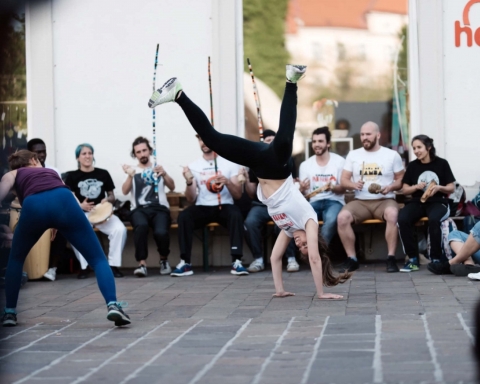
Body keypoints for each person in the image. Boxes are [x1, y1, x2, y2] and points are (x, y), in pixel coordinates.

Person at [148, 65, 350, 298]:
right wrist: (321, 293)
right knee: (284, 140)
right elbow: (315, 258)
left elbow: (275, 258)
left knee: (213, 140)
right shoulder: (310, 221)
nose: (301, 244)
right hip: (277, 166)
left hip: (258, 162)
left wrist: (280, 289)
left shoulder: (287, 228)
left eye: (300, 248)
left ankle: (178, 94)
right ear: (314, 240)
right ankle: (291, 82)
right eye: (305, 244)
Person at [0, 150, 130, 326]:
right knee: (98, 259)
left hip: (33, 206)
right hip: (65, 202)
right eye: (38, 160)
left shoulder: (13, 174)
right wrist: (63, 221)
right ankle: (113, 305)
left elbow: (4, 192)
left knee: (16, 259)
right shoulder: (52, 173)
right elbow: (72, 199)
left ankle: (9, 313)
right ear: (33, 160)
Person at [173, 134, 246, 277]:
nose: (204, 142)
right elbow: (191, 199)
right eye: (201, 139)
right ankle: (185, 262)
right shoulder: (194, 166)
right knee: (184, 216)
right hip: (203, 206)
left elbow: (237, 195)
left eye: (206, 138)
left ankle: (237, 261)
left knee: (236, 214)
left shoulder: (229, 163)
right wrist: (188, 182)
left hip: (224, 205)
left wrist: (228, 182)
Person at [337, 121, 404, 273]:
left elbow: (401, 179)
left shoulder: (391, 155)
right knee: (342, 218)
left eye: (368, 134)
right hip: (361, 202)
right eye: (362, 134)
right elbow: (344, 180)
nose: (365, 137)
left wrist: (391, 187)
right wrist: (354, 185)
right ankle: (352, 259)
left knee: (393, 214)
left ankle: (391, 258)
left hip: (385, 200)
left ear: (378, 135)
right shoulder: (353, 155)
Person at [241, 129, 301, 273]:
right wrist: (247, 179)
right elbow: (250, 193)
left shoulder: (286, 160)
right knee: (250, 222)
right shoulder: (256, 161)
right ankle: (258, 259)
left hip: (281, 205)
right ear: (263, 144)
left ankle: (291, 258)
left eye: (273, 142)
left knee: (285, 223)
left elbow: (295, 185)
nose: (271, 144)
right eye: (268, 141)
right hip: (261, 205)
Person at [64, 144, 127, 279]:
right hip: (83, 214)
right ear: (78, 157)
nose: (87, 156)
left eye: (90, 153)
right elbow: (69, 197)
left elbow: (112, 195)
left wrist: (107, 200)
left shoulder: (103, 173)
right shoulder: (72, 176)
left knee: (120, 229)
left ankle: (113, 265)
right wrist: (80, 206)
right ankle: (84, 267)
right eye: (84, 154)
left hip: (102, 213)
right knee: (75, 231)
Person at [397, 135, 455, 273]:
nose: (416, 151)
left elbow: (451, 188)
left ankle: (435, 259)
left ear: (428, 148)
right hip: (417, 202)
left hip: (438, 202)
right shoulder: (412, 166)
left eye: (419, 147)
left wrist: (439, 188)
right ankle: (412, 259)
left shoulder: (442, 163)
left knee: (435, 219)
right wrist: (416, 187)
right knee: (402, 218)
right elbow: (405, 190)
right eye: (414, 148)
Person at [122, 137, 175, 277]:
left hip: (160, 209)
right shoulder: (132, 171)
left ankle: (164, 260)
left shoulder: (158, 168)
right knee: (141, 226)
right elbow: (124, 191)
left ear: (150, 151)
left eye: (144, 150)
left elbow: (172, 186)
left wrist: (164, 174)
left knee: (161, 232)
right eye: (138, 152)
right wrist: (129, 176)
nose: (142, 154)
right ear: (135, 154)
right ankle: (142, 264)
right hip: (139, 210)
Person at [299, 127, 346, 246]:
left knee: (331, 220)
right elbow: (305, 196)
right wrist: (302, 189)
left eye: (320, 141)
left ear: (328, 143)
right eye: (314, 141)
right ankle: (308, 252)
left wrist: (333, 187)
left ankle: (318, 251)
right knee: (301, 218)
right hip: (314, 202)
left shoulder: (339, 162)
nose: (316, 144)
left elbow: (343, 189)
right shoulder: (305, 165)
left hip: (334, 201)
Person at [27, 138, 65, 281]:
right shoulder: (23, 172)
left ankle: (52, 269)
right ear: (30, 154)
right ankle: (27, 269)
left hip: (50, 211)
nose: (42, 155)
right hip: (31, 212)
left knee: (62, 226)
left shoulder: (53, 171)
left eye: (44, 152)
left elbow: (59, 194)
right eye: (38, 152)